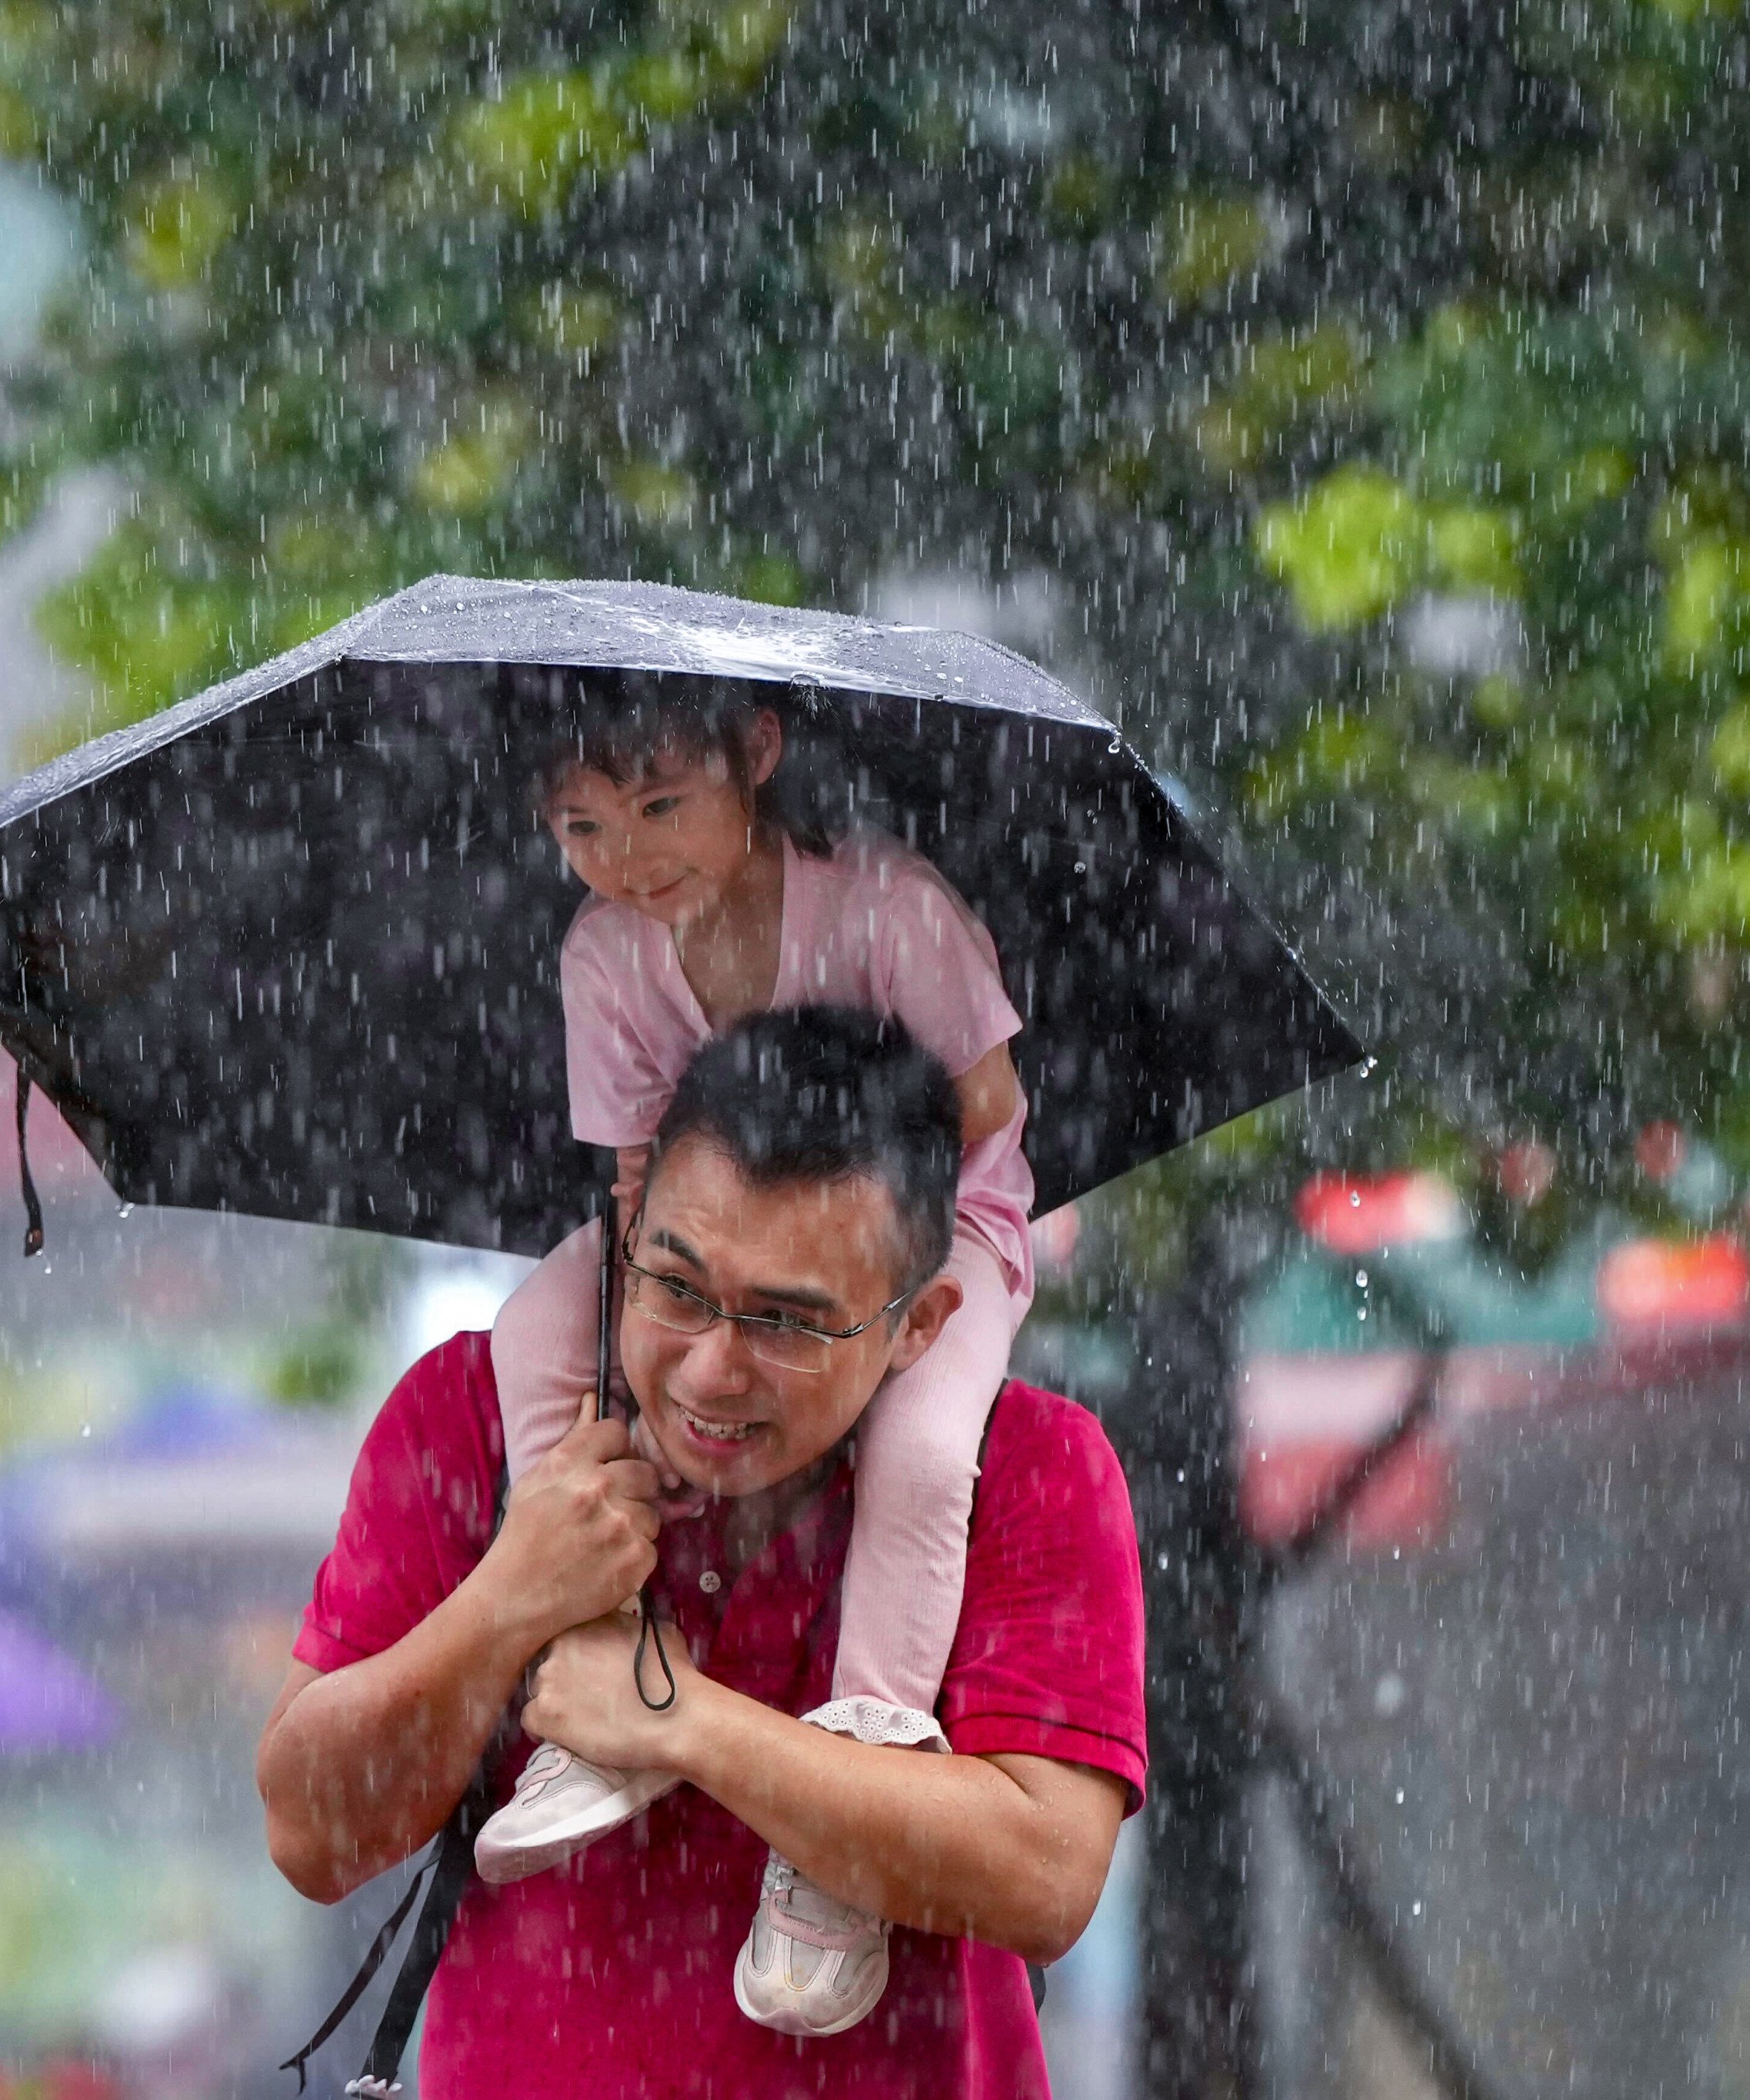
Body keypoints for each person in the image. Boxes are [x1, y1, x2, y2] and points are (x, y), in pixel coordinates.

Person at [262, 1008, 1142, 2092]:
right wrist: (505, 1600)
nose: (710, 1369)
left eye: (786, 1322)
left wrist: (682, 1724)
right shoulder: (470, 1420)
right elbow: (311, 1832)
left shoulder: (1028, 1466)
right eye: (676, 1287)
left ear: (917, 1324)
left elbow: (1042, 1876)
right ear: (625, 1231)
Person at [475, 687, 1038, 2033]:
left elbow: (991, 1104)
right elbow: (630, 1177)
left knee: (915, 1453)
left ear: (758, 759)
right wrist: (651, 1343)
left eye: (664, 806)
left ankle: (861, 1769)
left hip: (940, 1228)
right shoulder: (605, 958)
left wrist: (835, 1177)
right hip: (705, 1240)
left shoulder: (888, 913)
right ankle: (601, 1658)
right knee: (534, 1332)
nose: (630, 855)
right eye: (585, 826)